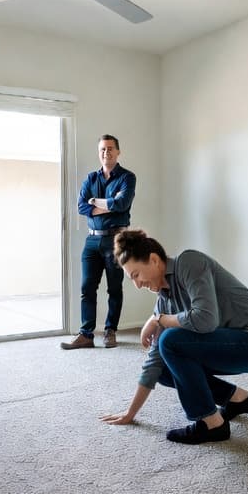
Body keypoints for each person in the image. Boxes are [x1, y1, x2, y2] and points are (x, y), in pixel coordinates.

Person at [100, 229, 248, 444]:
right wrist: (130, 413)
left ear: (153, 260)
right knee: (162, 368)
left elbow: (206, 319)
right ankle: (239, 399)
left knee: (169, 340)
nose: (137, 284)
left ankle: (212, 424)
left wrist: (157, 319)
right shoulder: (164, 299)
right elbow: (153, 362)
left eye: (136, 275)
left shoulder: (189, 262)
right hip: (237, 345)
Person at [61, 134, 137, 350]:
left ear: (118, 151)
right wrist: (106, 205)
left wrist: (95, 202)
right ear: (99, 152)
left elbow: (121, 204)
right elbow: (81, 207)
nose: (106, 152)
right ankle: (86, 335)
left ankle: (110, 331)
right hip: (92, 240)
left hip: (116, 239)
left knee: (114, 288)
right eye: (103, 149)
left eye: (110, 148)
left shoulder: (127, 178)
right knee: (87, 288)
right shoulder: (90, 179)